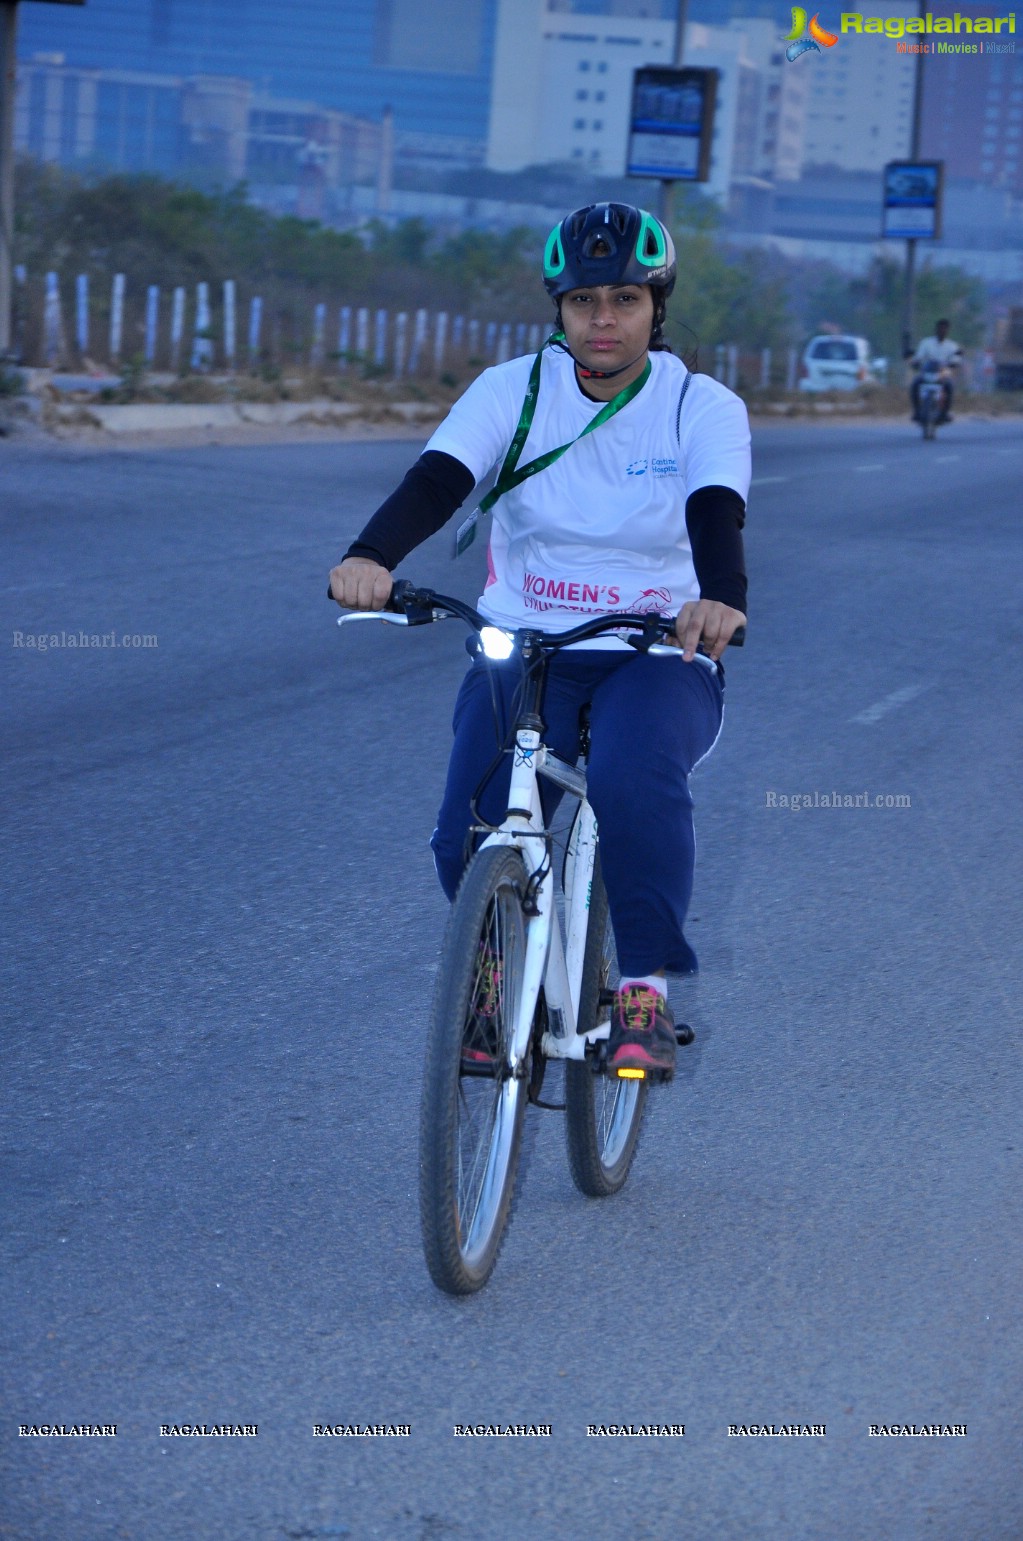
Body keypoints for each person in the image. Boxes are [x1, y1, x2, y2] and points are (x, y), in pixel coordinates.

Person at [329, 202, 750, 1080]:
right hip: (524, 644)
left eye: (625, 298)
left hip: (655, 652)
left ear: (655, 306)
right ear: (557, 309)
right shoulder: (510, 391)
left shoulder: (698, 406)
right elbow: (436, 481)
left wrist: (718, 601)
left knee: (634, 785)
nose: (603, 319)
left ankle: (641, 992)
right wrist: (369, 555)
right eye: (584, 300)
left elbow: (717, 511)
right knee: (464, 834)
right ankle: (491, 981)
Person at [909, 318, 963, 424]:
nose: (942, 331)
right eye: (940, 329)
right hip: (927, 372)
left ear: (948, 331)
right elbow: (919, 357)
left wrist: (954, 363)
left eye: (945, 329)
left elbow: (956, 359)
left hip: (943, 373)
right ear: (936, 330)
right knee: (915, 384)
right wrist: (915, 362)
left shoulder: (952, 346)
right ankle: (916, 411)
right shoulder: (926, 343)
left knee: (949, 387)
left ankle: (945, 413)